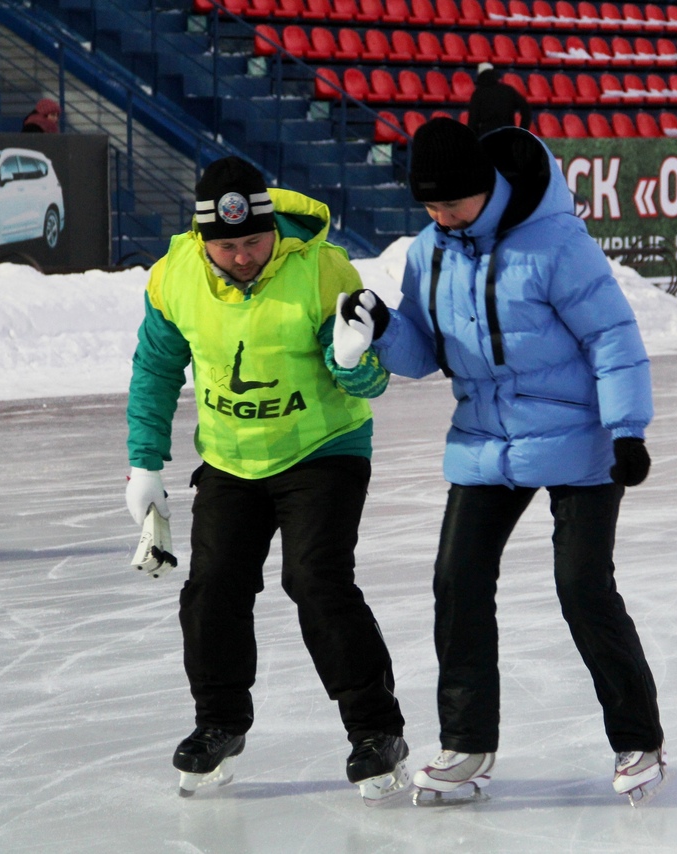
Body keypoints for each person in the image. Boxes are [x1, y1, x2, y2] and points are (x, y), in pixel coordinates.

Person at [346, 118, 665, 806]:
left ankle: (638, 737)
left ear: (485, 189)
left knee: (582, 587)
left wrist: (628, 430)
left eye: (452, 205)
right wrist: (379, 330)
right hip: (485, 439)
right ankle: (466, 742)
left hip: (582, 438)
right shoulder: (429, 252)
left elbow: (612, 336)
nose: (441, 218)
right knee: (456, 580)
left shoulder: (556, 244)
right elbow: (425, 353)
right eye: (428, 208)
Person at [124, 156, 409, 803]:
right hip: (230, 458)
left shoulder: (321, 270)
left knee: (314, 578)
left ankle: (375, 732)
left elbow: (374, 379)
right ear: (204, 240)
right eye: (228, 247)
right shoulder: (175, 279)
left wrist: (352, 359)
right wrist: (145, 461)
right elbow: (156, 370)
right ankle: (218, 722)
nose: (244, 256)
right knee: (213, 588)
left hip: (325, 448)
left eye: (254, 241)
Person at [466, 62, 531, 137]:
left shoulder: (478, 94)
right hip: (508, 135)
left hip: (487, 137)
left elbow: (472, 122)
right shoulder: (508, 90)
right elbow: (526, 108)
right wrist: (522, 130)